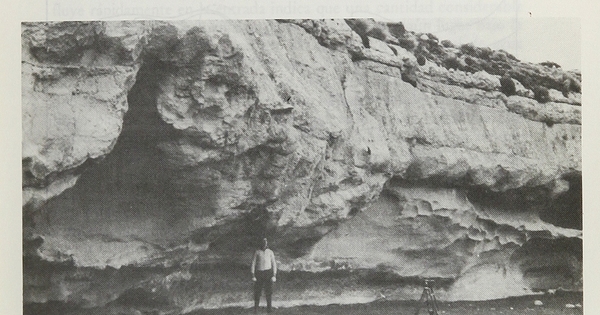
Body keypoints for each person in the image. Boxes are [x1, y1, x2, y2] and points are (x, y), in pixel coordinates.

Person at [251, 238, 277, 313]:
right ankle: (256, 309)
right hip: (259, 273)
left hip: (268, 273)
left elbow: (274, 264)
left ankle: (269, 309)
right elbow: (253, 264)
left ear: (267, 243)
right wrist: (253, 275)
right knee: (257, 292)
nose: (264, 243)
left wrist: (274, 275)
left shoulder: (270, 252)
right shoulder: (257, 252)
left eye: (265, 242)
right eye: (263, 242)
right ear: (261, 243)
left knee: (268, 292)